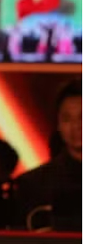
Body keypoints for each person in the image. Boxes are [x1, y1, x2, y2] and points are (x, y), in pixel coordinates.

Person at [14, 79, 81, 232]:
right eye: (67, 119)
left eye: (83, 117)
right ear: (58, 125)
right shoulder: (33, 184)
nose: (76, 126)